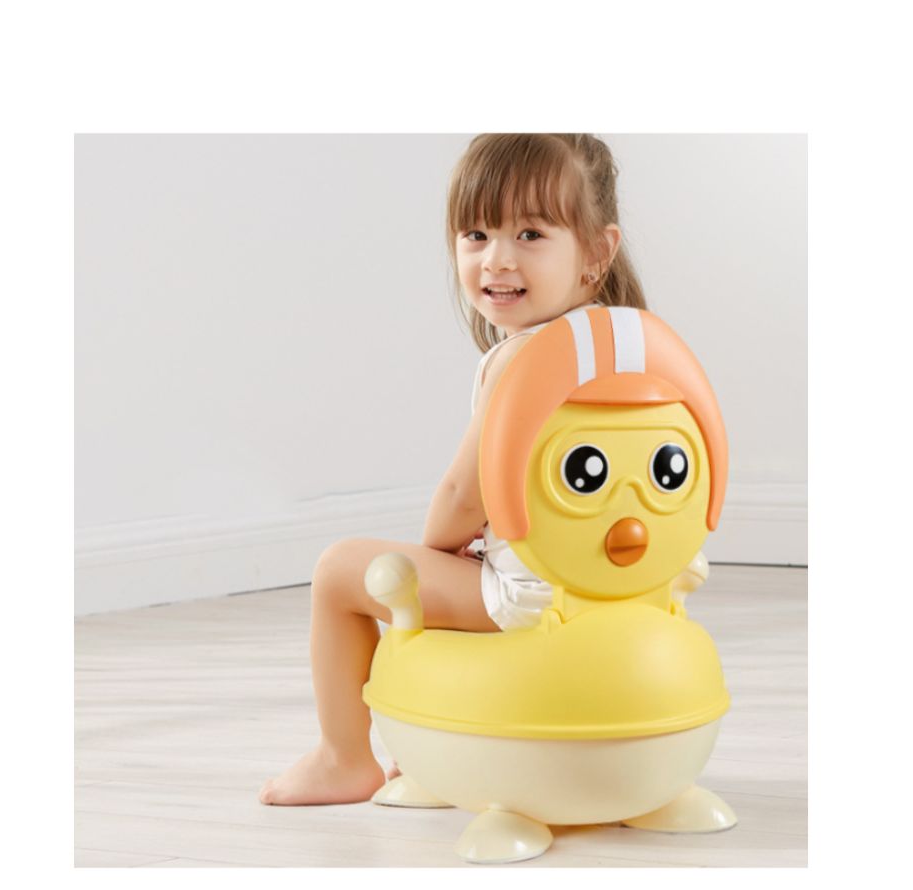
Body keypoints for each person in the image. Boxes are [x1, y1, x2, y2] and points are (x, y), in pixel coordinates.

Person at [259, 133, 647, 806]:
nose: (497, 259)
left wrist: (440, 549)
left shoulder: (524, 358)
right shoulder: (626, 341)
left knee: (340, 570)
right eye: (476, 234)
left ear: (595, 252)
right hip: (617, 585)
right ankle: (435, 737)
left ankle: (343, 757)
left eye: (530, 234)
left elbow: (465, 494)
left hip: (531, 598)